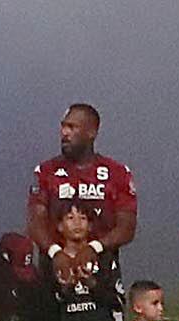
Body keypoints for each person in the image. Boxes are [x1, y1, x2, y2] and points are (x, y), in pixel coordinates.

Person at [29, 107, 138, 254]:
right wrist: (55, 252)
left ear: (91, 132)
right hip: (54, 267)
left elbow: (127, 227)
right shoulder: (46, 171)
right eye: (63, 126)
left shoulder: (117, 173)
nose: (64, 133)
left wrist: (95, 248)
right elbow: (35, 223)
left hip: (103, 269)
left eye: (72, 127)